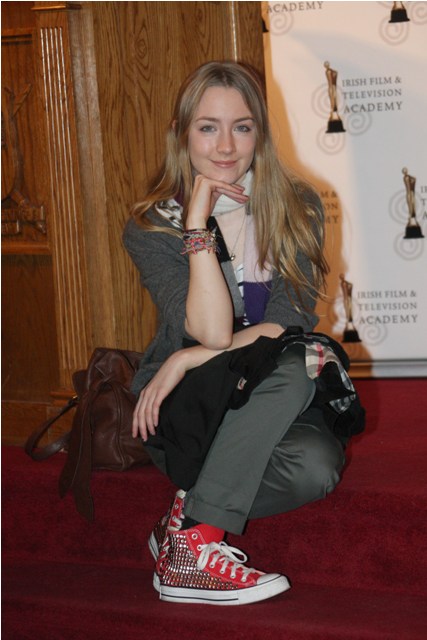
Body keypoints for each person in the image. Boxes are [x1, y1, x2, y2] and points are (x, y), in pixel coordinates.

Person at [123, 61, 352, 606]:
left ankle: (186, 521)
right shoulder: (152, 226)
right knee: (293, 364)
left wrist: (186, 356)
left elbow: (289, 321)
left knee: (316, 467)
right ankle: (195, 547)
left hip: (262, 391)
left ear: (260, 134)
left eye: (242, 127)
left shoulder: (296, 206)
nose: (226, 146)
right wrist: (197, 229)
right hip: (187, 404)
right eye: (208, 127)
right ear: (182, 133)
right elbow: (210, 330)